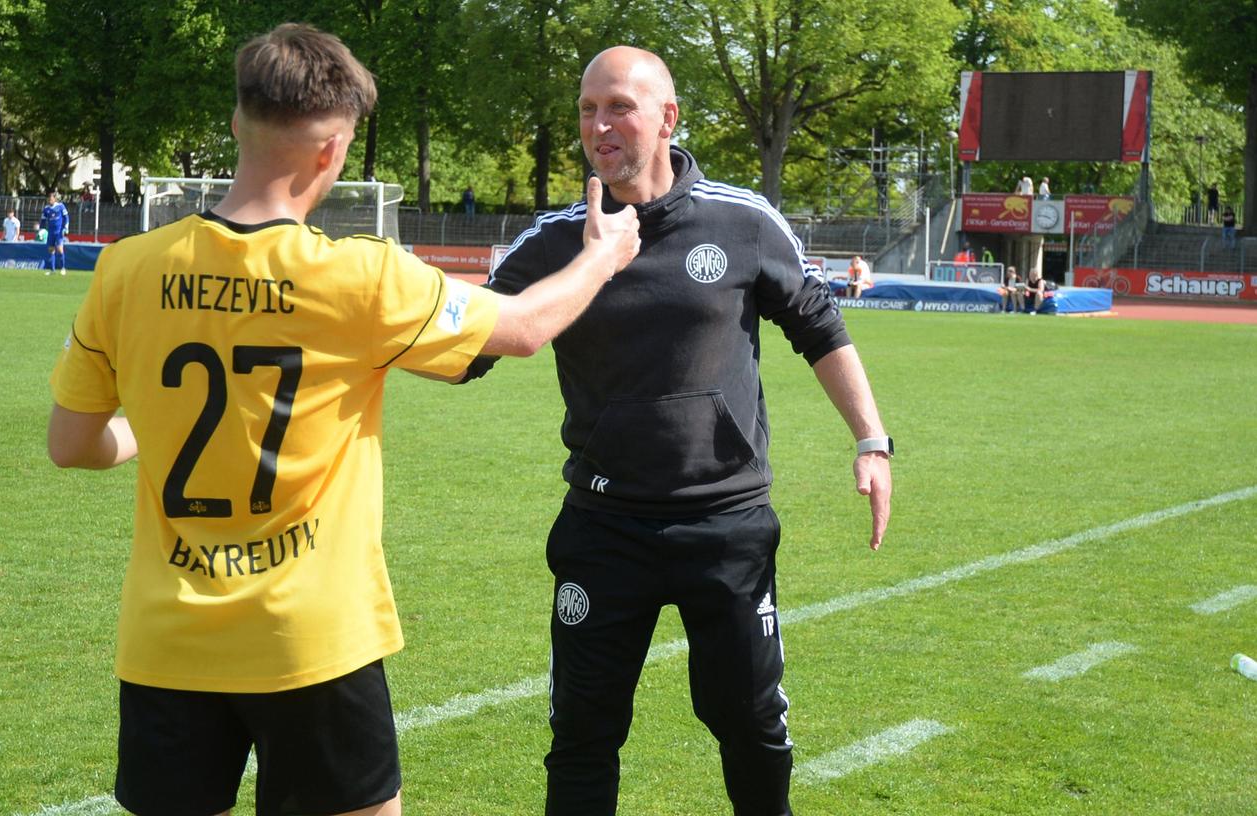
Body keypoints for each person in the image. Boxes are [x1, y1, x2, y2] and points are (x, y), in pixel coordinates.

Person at [45, 22, 640, 816]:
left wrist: (149, 428)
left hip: (166, 643)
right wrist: (602, 253)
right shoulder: (360, 278)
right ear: (331, 152)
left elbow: (73, 444)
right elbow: (525, 326)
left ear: (235, 122)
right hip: (311, 640)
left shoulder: (126, 269)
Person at [453, 46, 891, 816]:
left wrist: (870, 439)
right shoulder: (555, 241)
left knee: (750, 724)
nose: (599, 125)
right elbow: (466, 348)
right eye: (587, 110)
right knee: (582, 734)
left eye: (617, 106)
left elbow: (819, 326)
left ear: (667, 117)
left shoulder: (741, 219)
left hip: (725, 526)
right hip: (602, 527)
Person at [39, 190, 70, 275]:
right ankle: (53, 270)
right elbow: (43, 220)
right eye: (48, 199)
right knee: (51, 250)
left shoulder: (60, 206)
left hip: (59, 232)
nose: (49, 200)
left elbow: (66, 217)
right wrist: (41, 229)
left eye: (51, 199)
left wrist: (66, 227)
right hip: (51, 232)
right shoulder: (46, 208)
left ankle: (63, 268)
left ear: (55, 199)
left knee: (60, 249)